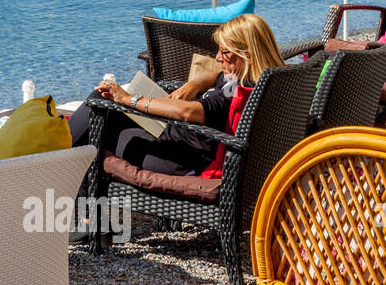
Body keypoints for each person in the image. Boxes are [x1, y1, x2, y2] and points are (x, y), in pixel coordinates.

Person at [67, 13, 285, 179]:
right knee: (101, 101)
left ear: (246, 55)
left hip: (180, 158)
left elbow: (188, 111)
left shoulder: (239, 91)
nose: (218, 57)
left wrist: (129, 100)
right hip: (177, 140)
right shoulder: (266, 78)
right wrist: (195, 83)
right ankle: (58, 165)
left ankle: (58, 170)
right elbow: (215, 75)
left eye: (224, 52)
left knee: (99, 117)